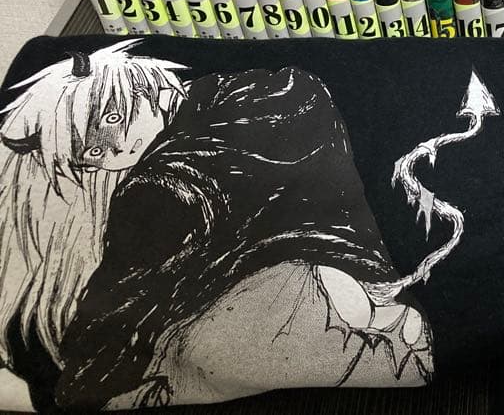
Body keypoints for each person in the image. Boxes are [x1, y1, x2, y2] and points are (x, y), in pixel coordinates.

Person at [0, 41, 431, 410]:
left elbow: (125, 298)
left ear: (139, 89)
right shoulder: (272, 89)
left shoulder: (161, 184)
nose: (113, 151)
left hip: (304, 296)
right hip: (353, 289)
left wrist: (71, 385)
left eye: (111, 120)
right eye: (92, 154)